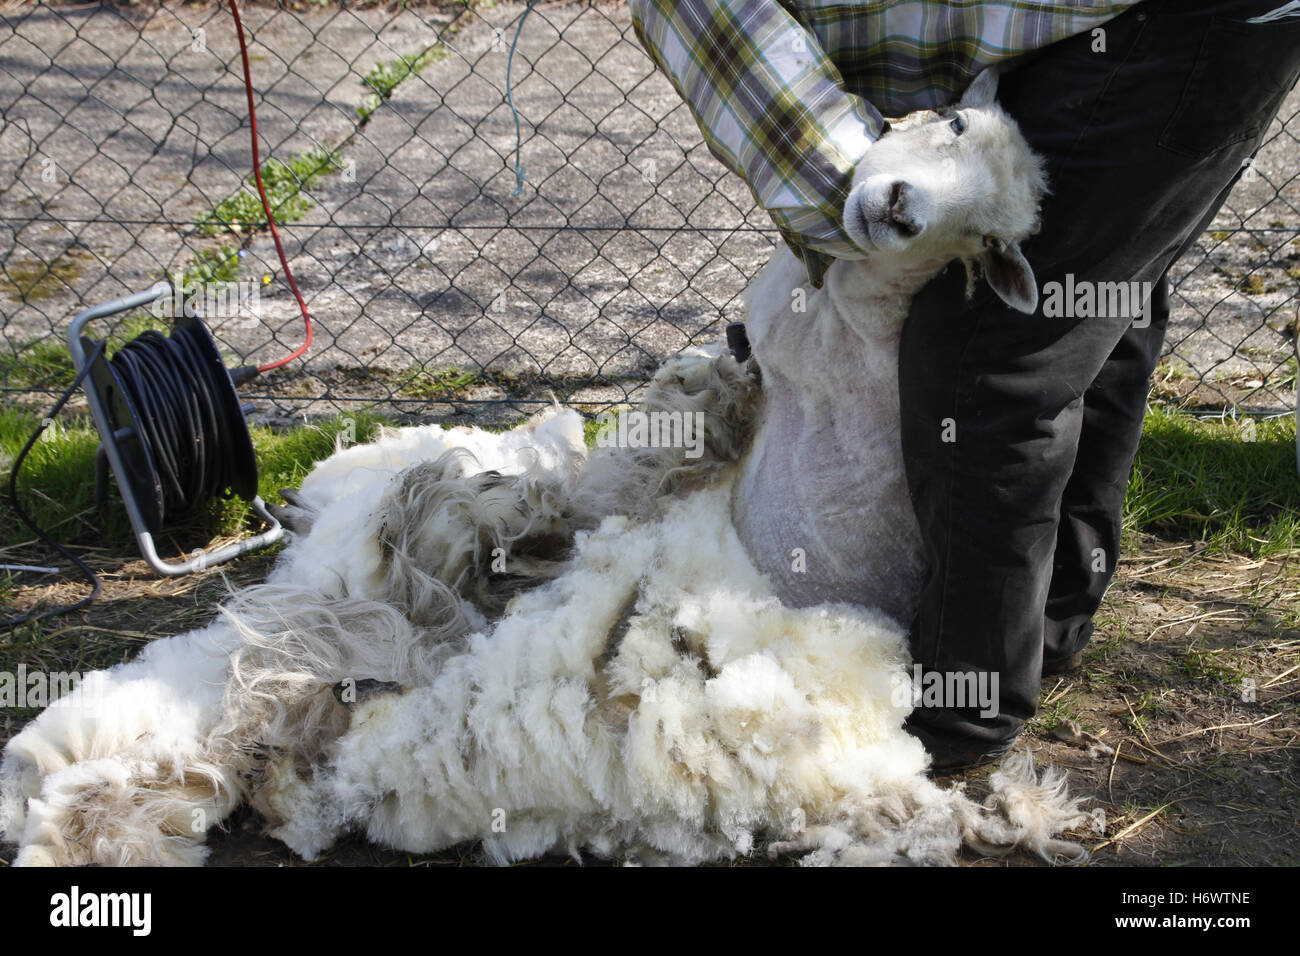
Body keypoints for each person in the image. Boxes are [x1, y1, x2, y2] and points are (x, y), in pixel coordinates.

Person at [627, 0, 1300, 769]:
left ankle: (963, 717)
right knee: (1096, 293)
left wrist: (880, 211)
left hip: (1160, 30)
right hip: (1163, 27)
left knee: (990, 360)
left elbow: (810, 151)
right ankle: (1045, 630)